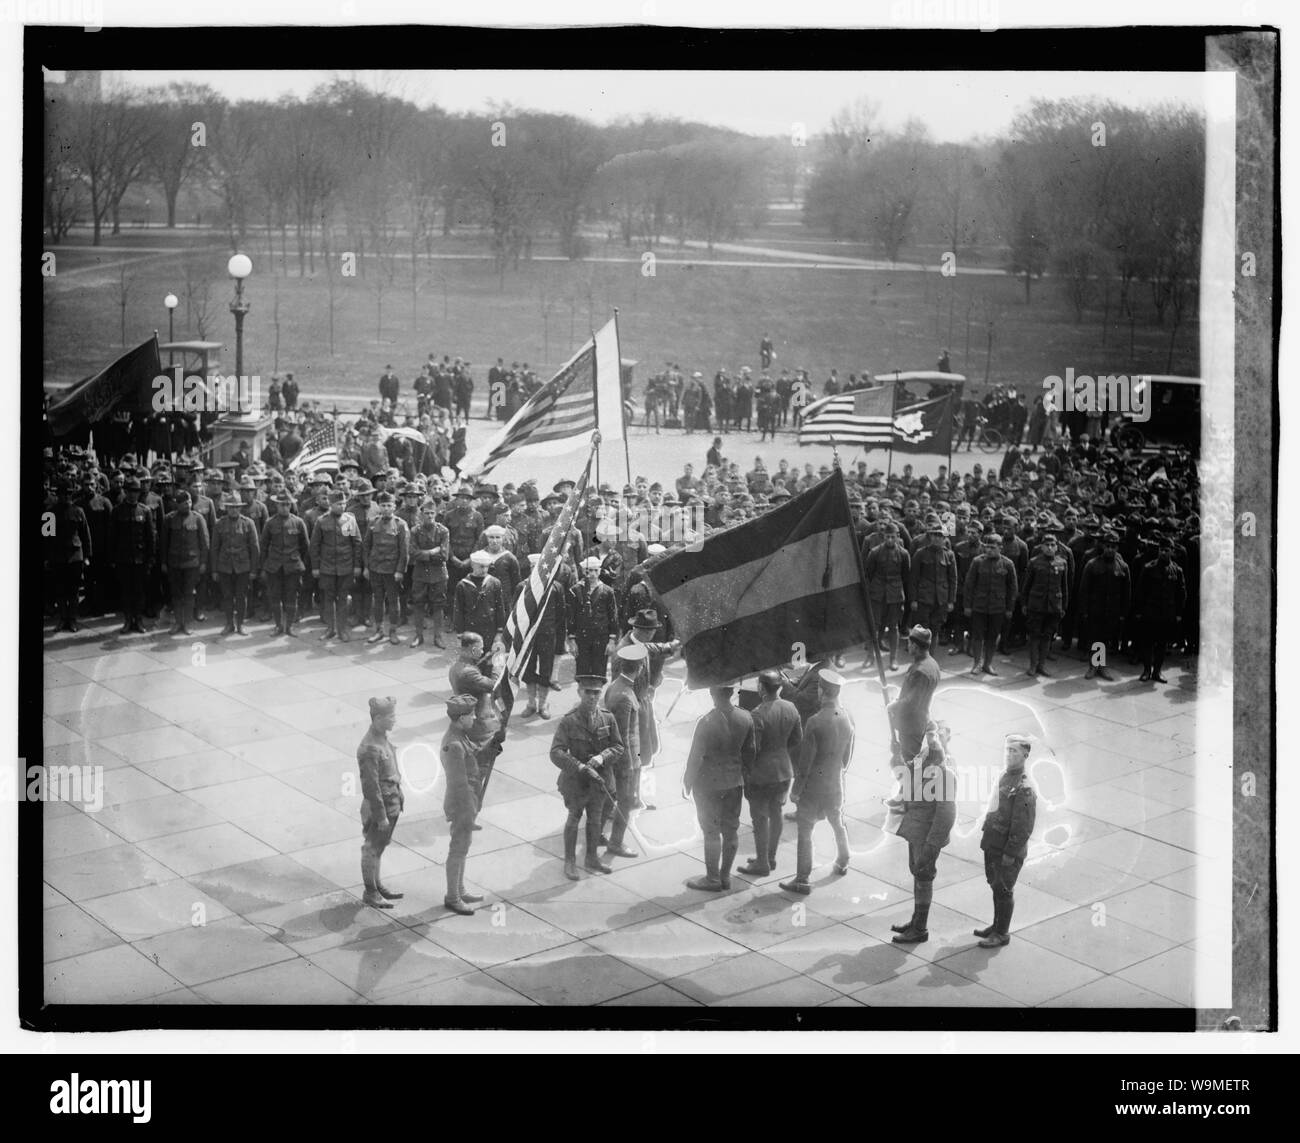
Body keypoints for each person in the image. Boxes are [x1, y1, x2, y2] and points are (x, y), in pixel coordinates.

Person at [779, 669, 855, 895]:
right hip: (835, 783)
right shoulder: (847, 718)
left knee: (805, 830)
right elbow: (846, 757)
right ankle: (843, 860)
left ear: (822, 690)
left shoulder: (814, 722)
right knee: (837, 822)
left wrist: (796, 790)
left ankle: (802, 879)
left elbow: (805, 764)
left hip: (813, 786)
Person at [550, 675, 625, 880]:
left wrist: (602, 758)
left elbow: (618, 747)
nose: (592, 697)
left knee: (595, 820)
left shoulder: (607, 718)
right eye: (588, 692)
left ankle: (591, 857)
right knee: (574, 819)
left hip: (599, 782)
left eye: (596, 693)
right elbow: (556, 752)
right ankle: (570, 861)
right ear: (579, 692)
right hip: (576, 782)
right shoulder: (569, 720)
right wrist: (580, 766)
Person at [683, 683, 756, 891]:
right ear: (732, 692)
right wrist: (744, 775)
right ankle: (725, 876)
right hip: (734, 782)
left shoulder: (706, 722)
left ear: (712, 693)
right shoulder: (745, 718)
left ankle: (712, 879)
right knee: (731, 830)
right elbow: (750, 752)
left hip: (708, 784)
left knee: (711, 832)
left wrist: (688, 781)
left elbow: (695, 757)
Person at [891, 722, 958, 944]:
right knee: (918, 874)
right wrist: (897, 755)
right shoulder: (924, 757)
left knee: (923, 877)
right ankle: (916, 921)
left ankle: (920, 928)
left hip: (927, 835)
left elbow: (946, 814)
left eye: (936, 734)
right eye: (929, 733)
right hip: (916, 829)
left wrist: (932, 845)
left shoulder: (945, 772)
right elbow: (906, 773)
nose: (931, 738)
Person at [738, 669, 803, 877]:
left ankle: (762, 862)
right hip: (784, 771)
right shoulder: (791, 707)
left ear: (761, 688)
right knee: (776, 813)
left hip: (761, 774)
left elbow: (752, 748)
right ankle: (771, 857)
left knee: (759, 817)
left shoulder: (758, 713)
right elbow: (796, 739)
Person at [975, 734, 1038, 948]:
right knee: (996, 886)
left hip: (1007, 849)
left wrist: (1010, 854)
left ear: (1025, 755)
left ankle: (1001, 933)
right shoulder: (1005, 776)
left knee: (1004, 889)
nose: (1009, 754)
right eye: (1007, 750)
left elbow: (1023, 827)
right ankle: (996, 925)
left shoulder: (1024, 787)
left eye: (1014, 751)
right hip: (993, 843)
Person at [439, 693, 486, 915]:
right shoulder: (454, 744)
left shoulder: (460, 736)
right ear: (460, 718)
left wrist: (492, 744)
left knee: (463, 847)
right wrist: (469, 813)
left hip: (468, 802)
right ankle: (453, 897)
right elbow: (459, 784)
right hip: (462, 804)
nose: (474, 718)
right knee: (458, 848)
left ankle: (460, 889)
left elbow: (474, 752)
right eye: (471, 714)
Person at [600, 643, 647, 859]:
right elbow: (624, 736)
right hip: (624, 759)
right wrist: (630, 764)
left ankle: (597, 834)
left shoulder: (615, 686)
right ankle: (616, 843)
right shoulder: (626, 696)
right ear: (639, 669)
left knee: (608, 797)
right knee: (625, 800)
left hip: (615, 755)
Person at [357, 696, 404, 909]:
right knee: (371, 848)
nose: (394, 720)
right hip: (381, 807)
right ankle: (370, 891)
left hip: (391, 803)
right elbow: (371, 787)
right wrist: (381, 815)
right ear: (377, 718)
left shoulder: (382, 739)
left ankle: (377, 885)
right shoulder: (370, 748)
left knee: (380, 847)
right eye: (390, 716)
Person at [516, 553, 566, 718]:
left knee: (546, 670)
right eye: (534, 568)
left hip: (547, 636)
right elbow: (515, 614)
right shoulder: (522, 587)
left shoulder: (555, 588)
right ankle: (531, 703)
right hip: (527, 638)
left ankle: (543, 704)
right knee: (528, 670)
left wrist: (555, 636)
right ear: (530, 568)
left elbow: (560, 615)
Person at [309, 489, 362, 643]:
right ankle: (330, 629)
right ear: (331, 504)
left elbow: (356, 544)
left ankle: (342, 629)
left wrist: (357, 566)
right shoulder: (321, 521)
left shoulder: (349, 520)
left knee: (343, 599)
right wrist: (315, 567)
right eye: (339, 504)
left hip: (346, 567)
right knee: (328, 598)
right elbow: (315, 546)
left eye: (344, 503)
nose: (342, 506)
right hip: (327, 567)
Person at [1078, 529, 1131, 681]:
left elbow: (1126, 591)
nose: (1110, 549)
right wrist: (1084, 610)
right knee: (1095, 637)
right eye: (1107, 546)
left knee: (1105, 638)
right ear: (1102, 546)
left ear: (1117, 548)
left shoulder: (1123, 567)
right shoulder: (1092, 564)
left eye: (1113, 547)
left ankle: (1102, 666)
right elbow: (1084, 589)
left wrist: (1123, 612)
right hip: (1096, 608)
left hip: (1112, 610)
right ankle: (1093, 666)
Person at [1134, 535, 1187, 684]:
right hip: (1150, 612)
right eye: (1162, 550)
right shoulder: (1149, 568)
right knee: (1147, 642)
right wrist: (1139, 611)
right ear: (1158, 551)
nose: (1164, 553)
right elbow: (1140, 591)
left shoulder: (1177, 571)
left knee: (1162, 644)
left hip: (1167, 614)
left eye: (1167, 550)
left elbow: (1181, 594)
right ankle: (1146, 671)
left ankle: (1157, 671)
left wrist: (1178, 614)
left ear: (1172, 551)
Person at [963, 534, 1018, 676]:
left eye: (992, 548)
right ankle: (977, 663)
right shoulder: (977, 562)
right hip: (979, 606)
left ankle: (988, 664)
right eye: (987, 547)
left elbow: (1013, 588)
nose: (989, 550)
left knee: (992, 637)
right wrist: (967, 605)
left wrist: (1010, 608)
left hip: (998, 607)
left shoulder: (1008, 564)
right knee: (977, 636)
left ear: (1001, 548)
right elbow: (969, 585)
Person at [886, 626, 941, 767]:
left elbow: (911, 703)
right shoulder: (933, 664)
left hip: (911, 725)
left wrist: (893, 706)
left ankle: (910, 788)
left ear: (915, 646)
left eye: (909, 644)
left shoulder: (920, 671)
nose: (907, 646)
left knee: (909, 763)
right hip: (920, 720)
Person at [259, 492, 310, 637]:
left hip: (292, 567)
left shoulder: (298, 522)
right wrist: (264, 567)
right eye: (282, 504)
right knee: (275, 597)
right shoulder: (270, 522)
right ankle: (278, 626)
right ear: (276, 505)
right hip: (274, 566)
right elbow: (263, 547)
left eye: (288, 504)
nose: (285, 507)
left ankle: (290, 627)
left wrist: (301, 565)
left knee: (291, 597)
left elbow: (305, 546)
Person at [363, 491, 410, 645]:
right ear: (379, 506)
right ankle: (379, 630)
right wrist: (366, 567)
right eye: (383, 505)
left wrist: (399, 570)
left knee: (393, 600)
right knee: (377, 600)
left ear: (394, 506)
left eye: (389, 505)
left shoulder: (400, 524)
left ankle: (393, 631)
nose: (386, 508)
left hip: (392, 570)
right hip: (375, 568)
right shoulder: (372, 522)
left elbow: (404, 551)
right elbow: (366, 547)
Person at [161, 490, 210, 636]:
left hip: (192, 564)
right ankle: (177, 622)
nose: (187, 505)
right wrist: (163, 562)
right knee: (176, 594)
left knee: (189, 595)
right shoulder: (169, 519)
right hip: (174, 564)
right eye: (184, 503)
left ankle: (187, 623)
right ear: (177, 504)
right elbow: (164, 543)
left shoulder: (198, 518)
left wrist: (203, 563)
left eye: (189, 502)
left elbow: (205, 542)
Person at [1021, 531, 1070, 678]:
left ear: (1057, 547)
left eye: (1052, 545)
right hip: (1036, 605)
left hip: (1054, 606)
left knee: (1047, 637)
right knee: (1035, 636)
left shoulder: (1062, 563)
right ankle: (1033, 666)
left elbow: (1064, 587)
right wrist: (1024, 603)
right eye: (1047, 545)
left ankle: (1042, 665)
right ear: (1042, 547)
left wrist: (1063, 606)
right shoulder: (1034, 562)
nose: (1050, 548)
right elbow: (1026, 585)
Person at [46, 477, 92, 632]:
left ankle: (72, 619)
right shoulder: (49, 514)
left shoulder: (79, 511)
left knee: (73, 590)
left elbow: (85, 536)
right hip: (57, 557)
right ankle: (62, 618)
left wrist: (86, 556)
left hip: (75, 557)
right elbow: (45, 539)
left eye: (69, 494)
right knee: (59, 589)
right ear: (58, 495)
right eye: (63, 494)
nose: (66, 497)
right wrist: (46, 558)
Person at [211, 490, 260, 636]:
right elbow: (214, 548)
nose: (234, 510)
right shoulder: (219, 524)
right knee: (227, 596)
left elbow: (255, 548)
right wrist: (214, 570)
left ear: (240, 508)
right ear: (226, 508)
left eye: (237, 507)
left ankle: (240, 624)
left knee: (241, 596)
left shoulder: (248, 523)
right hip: (225, 566)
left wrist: (253, 570)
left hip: (243, 567)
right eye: (231, 507)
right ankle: (229, 624)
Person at [864, 523, 910, 670]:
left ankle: (893, 659)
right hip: (877, 594)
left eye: (893, 537)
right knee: (874, 627)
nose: (890, 540)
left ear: (898, 537)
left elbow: (905, 576)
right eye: (887, 537)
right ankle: (870, 657)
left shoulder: (903, 554)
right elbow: (868, 573)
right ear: (883, 537)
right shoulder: (875, 552)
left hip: (895, 595)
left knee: (893, 627)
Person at [567, 555, 619, 678]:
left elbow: (613, 617)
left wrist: (611, 641)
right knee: (582, 672)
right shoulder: (575, 590)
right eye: (589, 571)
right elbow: (571, 618)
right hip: (582, 638)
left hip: (601, 637)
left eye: (596, 570)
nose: (593, 574)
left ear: (600, 571)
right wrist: (572, 641)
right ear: (584, 571)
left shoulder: (607, 591)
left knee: (599, 673)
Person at [408, 497, 450, 647]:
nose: (430, 516)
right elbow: (412, 553)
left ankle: (438, 637)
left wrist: (423, 553)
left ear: (436, 514)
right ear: (421, 514)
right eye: (427, 513)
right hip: (420, 574)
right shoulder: (415, 531)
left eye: (432, 513)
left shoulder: (443, 531)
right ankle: (418, 636)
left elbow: (444, 555)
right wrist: (433, 551)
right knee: (418, 604)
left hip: (439, 574)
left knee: (438, 605)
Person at [452, 550, 506, 651]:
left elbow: (500, 608)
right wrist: (460, 633)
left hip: (490, 629)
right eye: (481, 566)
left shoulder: (494, 583)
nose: (484, 569)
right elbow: (458, 610)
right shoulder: (462, 585)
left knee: (489, 659)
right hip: (471, 629)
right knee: (471, 658)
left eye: (487, 566)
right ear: (472, 564)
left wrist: (499, 631)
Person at [910, 523, 957, 636]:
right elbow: (913, 578)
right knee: (923, 629)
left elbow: (953, 579)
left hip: (941, 599)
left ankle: (931, 653)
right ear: (930, 536)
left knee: (935, 630)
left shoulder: (949, 555)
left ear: (944, 538)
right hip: (924, 598)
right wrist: (913, 599)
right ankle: (922, 653)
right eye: (934, 535)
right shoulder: (920, 553)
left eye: (940, 536)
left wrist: (951, 601)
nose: (937, 538)